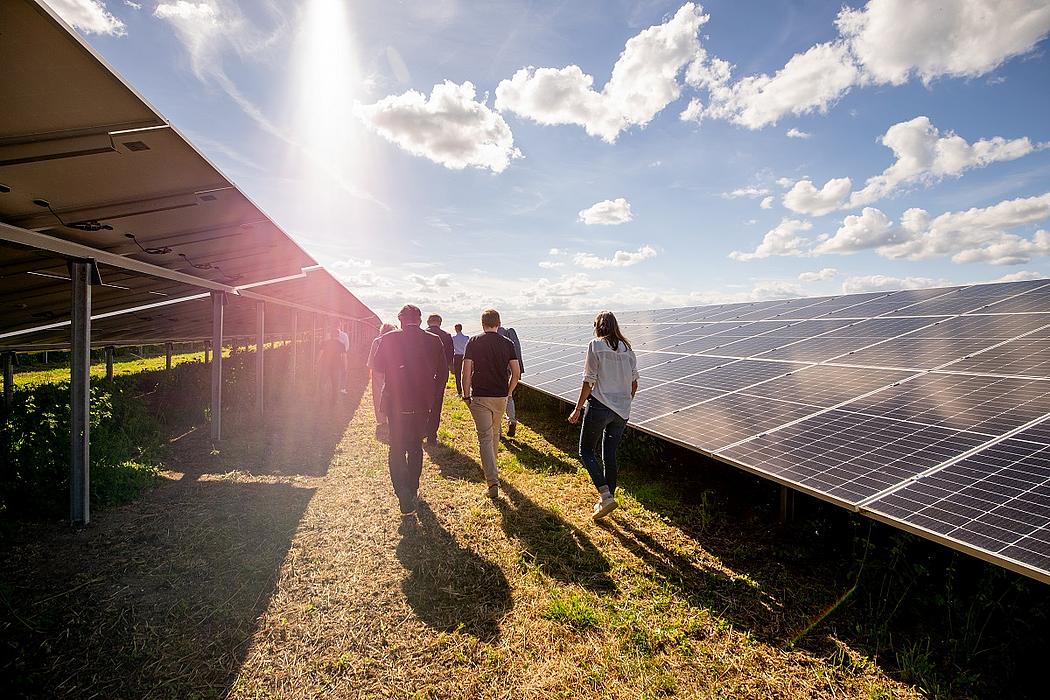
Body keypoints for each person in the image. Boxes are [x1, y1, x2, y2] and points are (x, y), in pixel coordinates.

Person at [370, 305, 447, 516]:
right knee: (415, 446)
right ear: (420, 320)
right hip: (422, 404)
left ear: (400, 320)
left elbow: (377, 366)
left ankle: (403, 494)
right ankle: (412, 488)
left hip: (396, 402)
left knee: (396, 447)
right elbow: (442, 373)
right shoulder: (433, 340)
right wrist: (432, 397)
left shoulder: (389, 339)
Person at [568, 311, 638, 521]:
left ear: (599, 326)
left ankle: (605, 495)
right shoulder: (628, 350)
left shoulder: (596, 345)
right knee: (610, 455)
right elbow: (634, 383)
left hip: (599, 406)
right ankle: (608, 500)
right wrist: (625, 402)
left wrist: (578, 408)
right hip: (622, 411)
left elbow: (589, 380)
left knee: (586, 450)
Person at [462, 309, 520, 499]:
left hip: (480, 397)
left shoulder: (474, 341)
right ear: (499, 323)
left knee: (485, 438)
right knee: (494, 434)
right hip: (500, 397)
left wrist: (466, 394)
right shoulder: (508, 343)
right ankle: (493, 471)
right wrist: (509, 392)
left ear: (482, 323)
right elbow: (516, 372)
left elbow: (466, 370)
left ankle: (492, 481)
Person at [424, 313, 454, 443]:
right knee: (437, 404)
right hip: (440, 375)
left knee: (422, 404)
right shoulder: (446, 336)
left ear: (428, 322)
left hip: (423, 375)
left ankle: (421, 430)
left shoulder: (422, 335)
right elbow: (449, 357)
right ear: (440, 322)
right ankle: (432, 435)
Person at [367, 322, 397, 440]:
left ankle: (381, 419)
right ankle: (391, 417)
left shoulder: (377, 341)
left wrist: (371, 370)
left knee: (378, 393)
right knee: (391, 392)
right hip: (393, 370)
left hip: (378, 370)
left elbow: (372, 358)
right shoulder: (396, 341)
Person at [497, 324, 524, 437]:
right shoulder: (511, 334)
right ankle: (511, 420)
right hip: (511, 370)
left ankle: (498, 428)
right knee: (509, 395)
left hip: (499, 372)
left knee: (496, 399)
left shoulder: (497, 336)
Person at [316, 325, 347, 406]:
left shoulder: (325, 343)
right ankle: (334, 402)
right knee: (335, 386)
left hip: (325, 367)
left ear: (331, 335)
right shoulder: (341, 344)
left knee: (322, 384)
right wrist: (345, 367)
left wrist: (316, 363)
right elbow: (344, 357)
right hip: (336, 368)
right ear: (338, 335)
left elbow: (320, 354)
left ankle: (321, 401)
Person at [451, 323, 469, 397]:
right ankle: (468, 390)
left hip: (457, 357)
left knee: (457, 375)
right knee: (466, 373)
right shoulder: (466, 337)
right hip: (465, 356)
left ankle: (459, 392)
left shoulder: (453, 338)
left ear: (456, 329)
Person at [337, 322, 351, 394]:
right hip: (342, 355)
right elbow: (347, 347)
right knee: (344, 371)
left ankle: (334, 387)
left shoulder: (328, 334)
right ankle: (342, 388)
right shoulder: (344, 335)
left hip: (331, 356)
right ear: (340, 325)